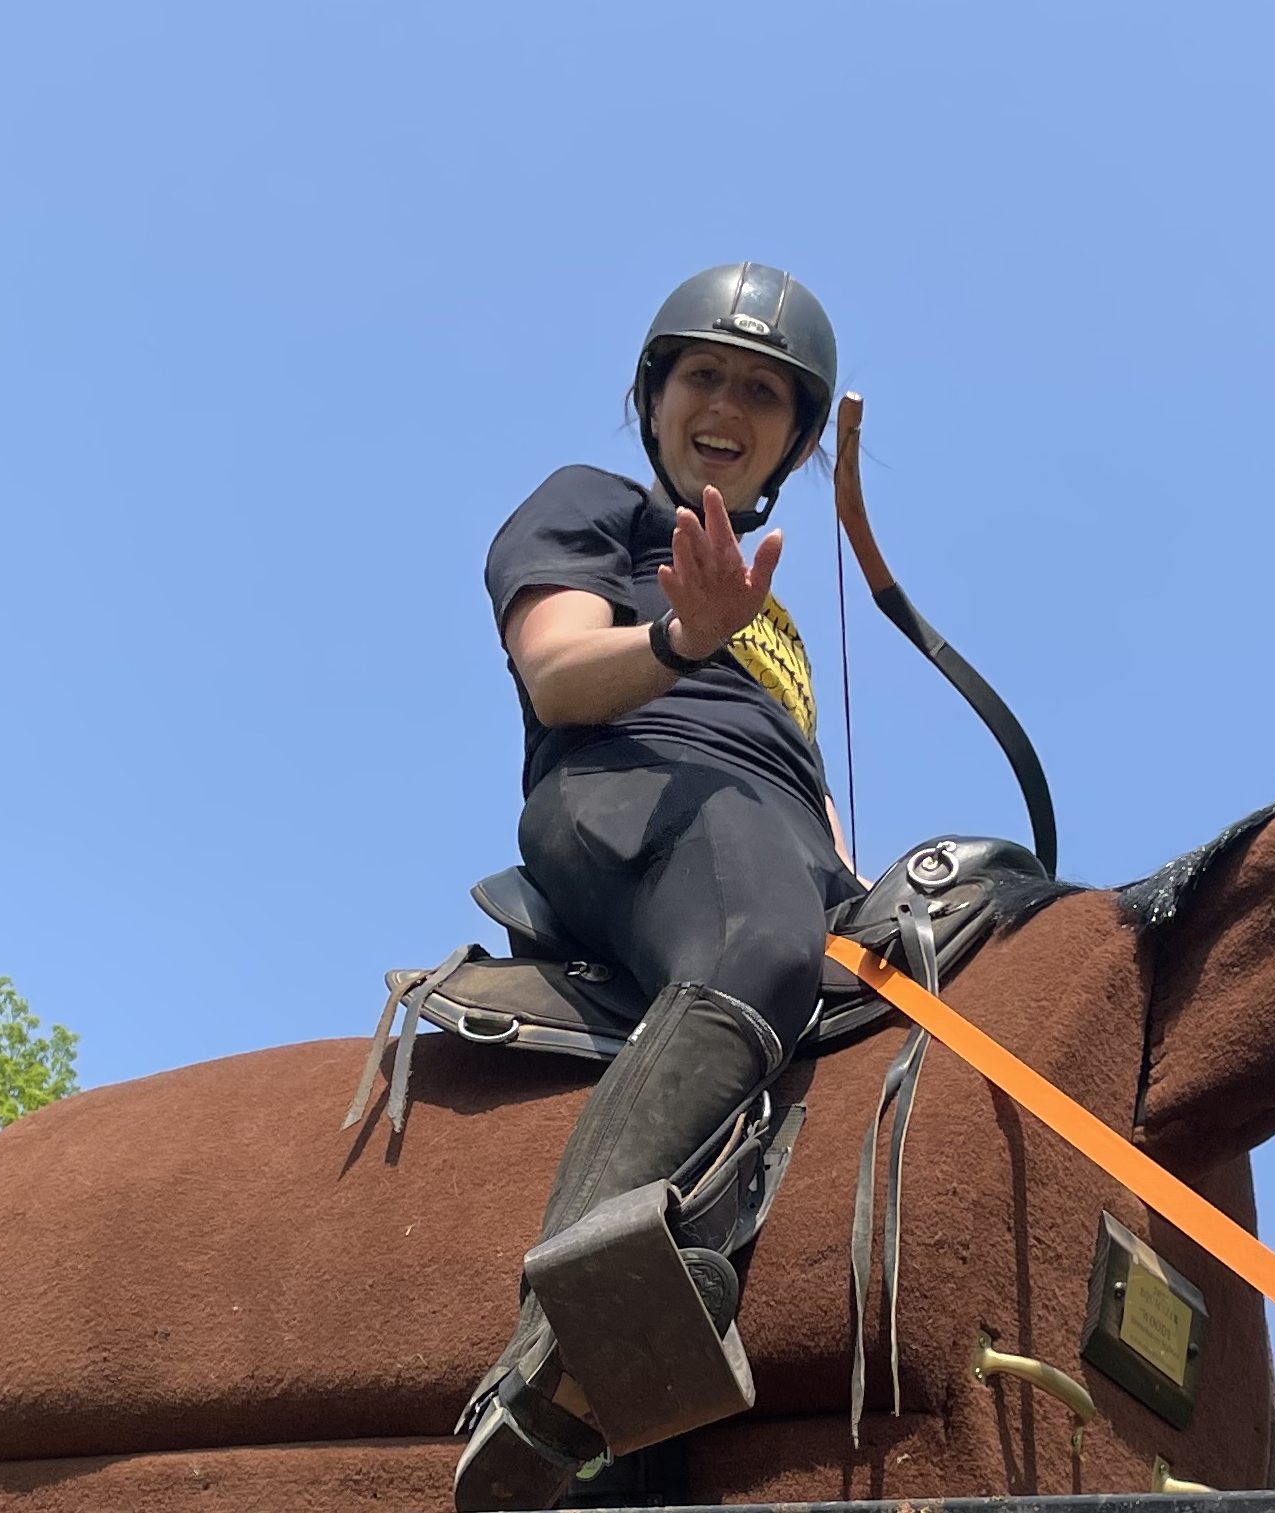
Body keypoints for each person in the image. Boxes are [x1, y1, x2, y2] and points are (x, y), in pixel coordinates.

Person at [456, 262, 862, 1509]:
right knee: (757, 931)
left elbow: (811, 813)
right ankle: (552, 1360)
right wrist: (682, 638)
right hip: (631, 789)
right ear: (653, 394)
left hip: (776, 838)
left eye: (762, 390)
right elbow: (559, 672)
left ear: (792, 438)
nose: (727, 407)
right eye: (705, 375)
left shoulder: (773, 614)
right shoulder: (594, 507)